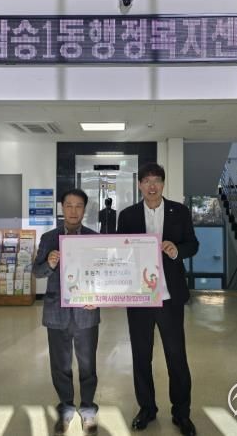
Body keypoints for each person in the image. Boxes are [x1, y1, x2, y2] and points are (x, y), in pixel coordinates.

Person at [117, 163, 199, 436]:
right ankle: (147, 408)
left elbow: (193, 244)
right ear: (139, 185)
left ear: (163, 184)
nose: (152, 186)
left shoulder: (180, 211)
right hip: (139, 296)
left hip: (169, 296)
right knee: (141, 356)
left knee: (176, 357)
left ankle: (181, 413)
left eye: (157, 181)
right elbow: (119, 251)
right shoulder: (127, 215)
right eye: (147, 181)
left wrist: (176, 250)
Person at [33, 188, 100, 436]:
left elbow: (104, 274)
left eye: (78, 206)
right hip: (57, 312)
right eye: (69, 205)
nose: (73, 211)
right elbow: (37, 271)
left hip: (86, 312)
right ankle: (66, 408)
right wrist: (50, 263)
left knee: (88, 365)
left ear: (84, 209)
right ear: (62, 208)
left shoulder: (94, 238)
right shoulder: (49, 238)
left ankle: (88, 409)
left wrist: (99, 296)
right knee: (60, 366)